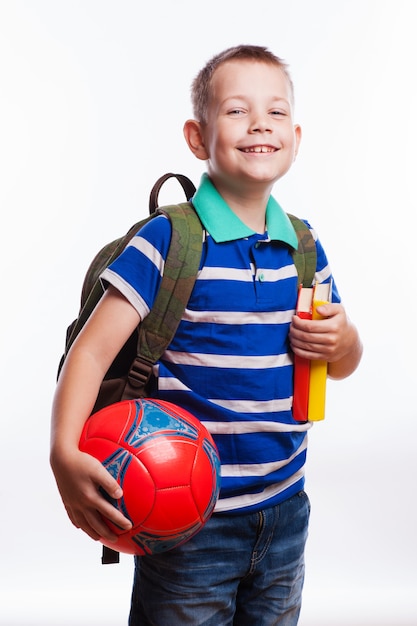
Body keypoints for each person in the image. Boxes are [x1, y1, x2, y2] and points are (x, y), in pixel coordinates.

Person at [50, 44, 362, 625]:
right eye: (237, 110)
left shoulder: (305, 246)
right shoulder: (169, 240)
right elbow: (89, 354)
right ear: (197, 138)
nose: (259, 123)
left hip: (287, 508)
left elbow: (339, 360)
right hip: (186, 517)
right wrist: (63, 456)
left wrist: (343, 344)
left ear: (294, 136)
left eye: (275, 112)